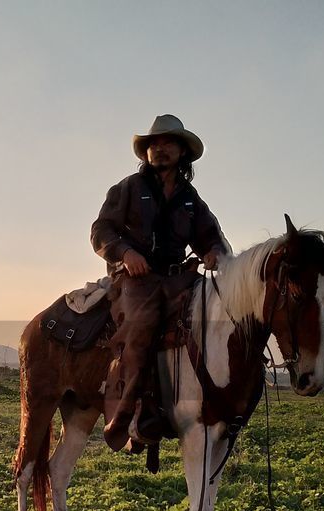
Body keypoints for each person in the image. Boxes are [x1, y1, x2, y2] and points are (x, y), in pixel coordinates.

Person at [90, 114, 229, 451]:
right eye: (155, 143)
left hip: (178, 276)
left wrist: (213, 253)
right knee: (141, 328)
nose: (161, 149)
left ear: (182, 152)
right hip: (136, 278)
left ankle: (210, 406)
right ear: (146, 151)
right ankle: (129, 417)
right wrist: (124, 253)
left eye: (169, 143)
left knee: (219, 317)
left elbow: (212, 238)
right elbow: (101, 231)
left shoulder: (190, 200)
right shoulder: (128, 189)